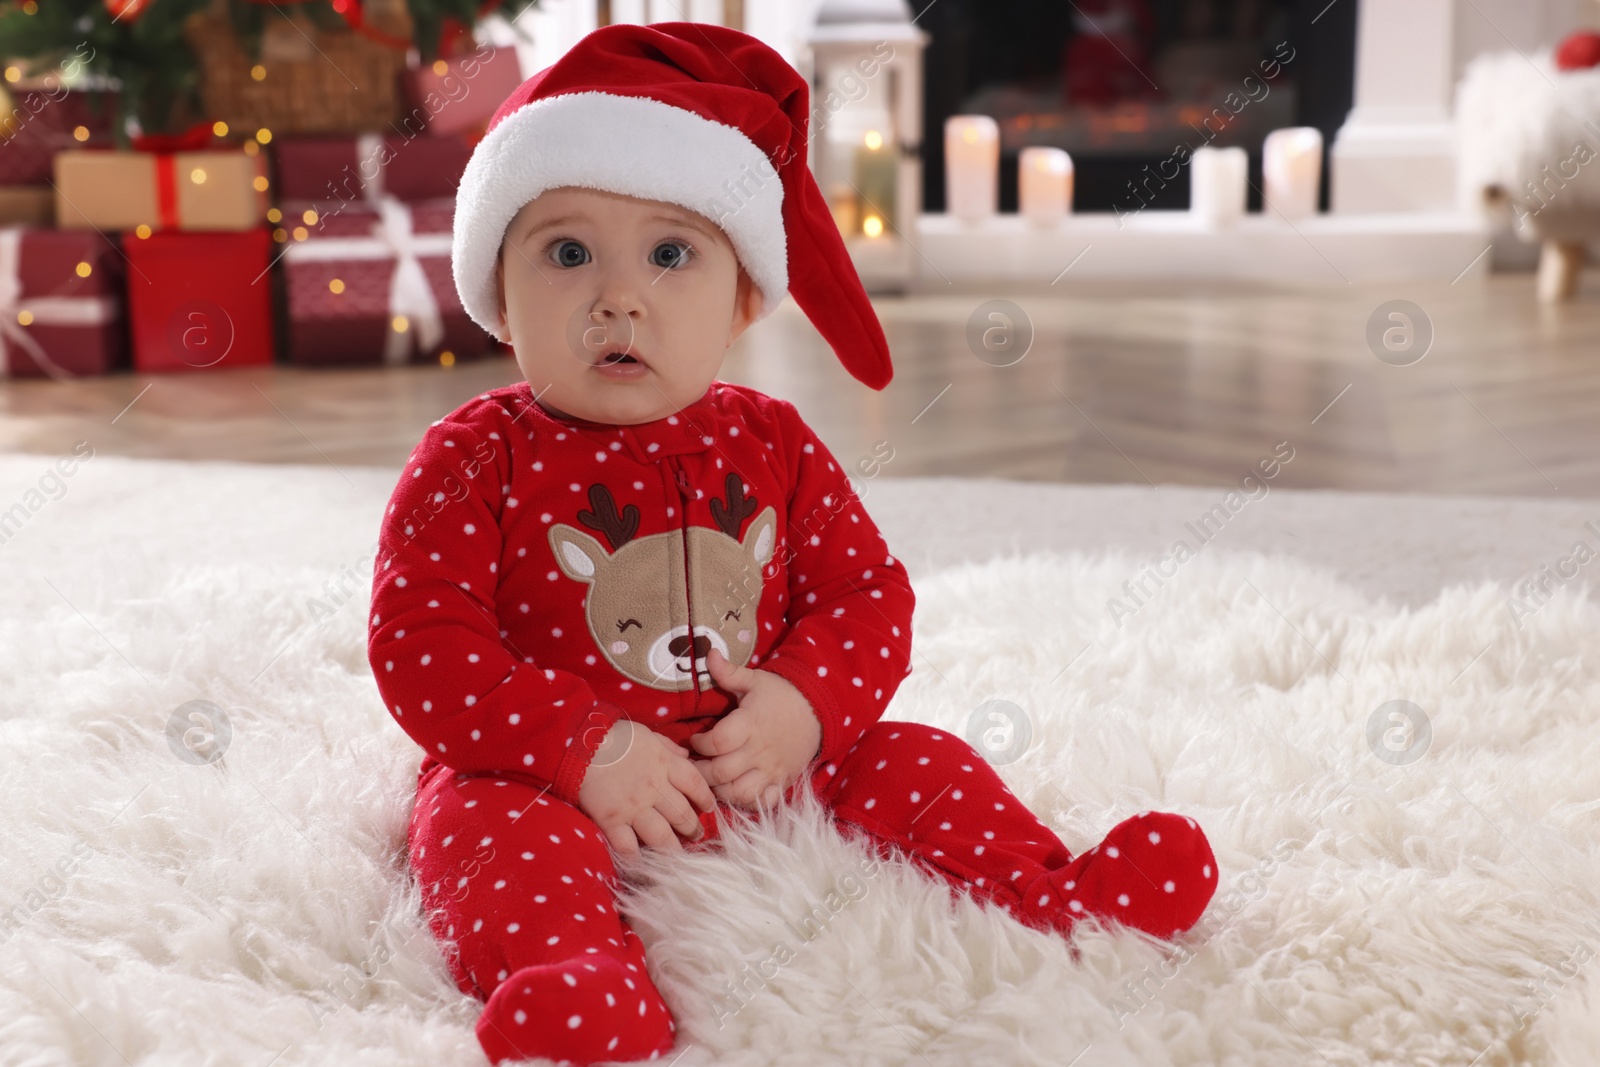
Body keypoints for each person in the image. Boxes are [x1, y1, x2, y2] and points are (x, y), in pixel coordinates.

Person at [367, 21, 1219, 1066]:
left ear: (741, 299)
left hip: (761, 762)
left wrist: (805, 706)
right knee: (478, 825)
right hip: (550, 775)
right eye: (567, 251)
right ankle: (574, 972)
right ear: (500, 291)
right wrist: (576, 744)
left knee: (911, 756)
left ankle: (1059, 888)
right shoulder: (472, 458)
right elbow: (424, 641)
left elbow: (865, 594)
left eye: (670, 252)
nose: (617, 294)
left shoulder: (770, 439)